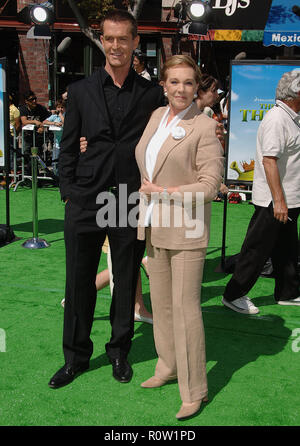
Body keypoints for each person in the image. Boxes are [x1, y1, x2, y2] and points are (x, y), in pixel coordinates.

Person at [48, 9, 165, 390]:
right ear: (103, 42)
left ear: (134, 43)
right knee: (78, 281)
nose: (115, 46)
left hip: (127, 199)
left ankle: (119, 351)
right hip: (84, 197)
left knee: (126, 276)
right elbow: (68, 146)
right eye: (109, 39)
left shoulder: (152, 94)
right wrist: (68, 192)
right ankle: (76, 357)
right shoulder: (80, 91)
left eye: (122, 39)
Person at [135, 55, 224, 420]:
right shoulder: (157, 116)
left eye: (189, 83)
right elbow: (145, 160)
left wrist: (164, 192)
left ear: (197, 87)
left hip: (186, 228)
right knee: (163, 305)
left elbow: (210, 186)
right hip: (154, 224)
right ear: (164, 84)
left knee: (187, 312)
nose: (181, 89)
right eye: (174, 82)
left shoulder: (204, 127)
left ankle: (195, 390)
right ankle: (167, 365)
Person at [222, 70, 300, 315]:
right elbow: (269, 161)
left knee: (287, 248)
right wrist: (278, 200)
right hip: (274, 200)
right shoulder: (277, 119)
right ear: (296, 92)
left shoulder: (292, 117)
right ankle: (233, 295)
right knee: (257, 248)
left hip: (288, 198)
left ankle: (288, 292)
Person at [19, 91, 50, 173]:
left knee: (38, 156)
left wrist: (42, 127)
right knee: (26, 155)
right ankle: (28, 175)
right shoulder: (23, 109)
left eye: (35, 99)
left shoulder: (41, 108)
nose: (34, 101)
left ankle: (37, 175)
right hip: (27, 137)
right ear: (26, 101)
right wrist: (35, 122)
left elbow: (47, 120)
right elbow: (24, 121)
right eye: (32, 99)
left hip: (38, 137)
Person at [43, 99, 65, 176]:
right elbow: (44, 122)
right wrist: (54, 123)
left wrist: (61, 116)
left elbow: (67, 123)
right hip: (57, 143)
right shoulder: (54, 116)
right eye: (59, 107)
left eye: (62, 107)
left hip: (66, 143)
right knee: (55, 162)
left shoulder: (67, 114)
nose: (60, 109)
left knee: (65, 162)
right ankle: (56, 177)